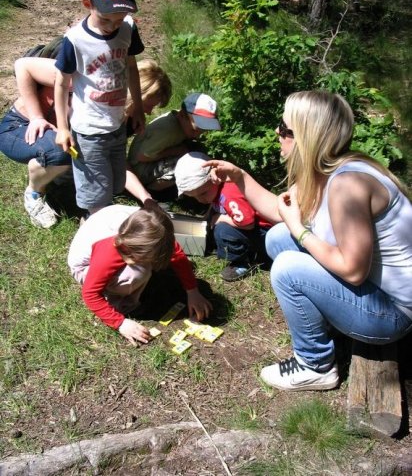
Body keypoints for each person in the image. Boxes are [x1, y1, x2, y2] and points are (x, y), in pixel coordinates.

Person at [205, 90, 412, 391]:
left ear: (307, 137)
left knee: (288, 267)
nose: (277, 132)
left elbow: (353, 271)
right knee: (278, 238)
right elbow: (281, 212)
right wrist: (239, 177)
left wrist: (300, 230)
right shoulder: (327, 169)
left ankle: (315, 365)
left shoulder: (347, 186)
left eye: (285, 129)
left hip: (392, 314)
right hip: (374, 290)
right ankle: (327, 321)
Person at [54, 0, 145, 217]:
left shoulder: (127, 27)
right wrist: (62, 127)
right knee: (97, 194)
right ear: (86, 2)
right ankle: (93, 229)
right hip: (88, 130)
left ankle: (97, 208)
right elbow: (61, 84)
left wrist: (137, 106)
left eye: (117, 19)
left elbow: (131, 67)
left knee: (115, 183)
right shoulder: (75, 40)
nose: (112, 26)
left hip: (117, 124)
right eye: (106, 19)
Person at [68, 203, 212, 345]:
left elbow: (177, 255)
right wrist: (120, 323)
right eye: (130, 255)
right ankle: (123, 304)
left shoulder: (156, 229)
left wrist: (192, 291)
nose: (129, 259)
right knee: (137, 273)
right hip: (86, 266)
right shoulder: (110, 251)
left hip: (106, 239)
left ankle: (143, 268)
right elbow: (90, 294)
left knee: (146, 266)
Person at [175, 151, 272, 281]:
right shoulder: (216, 190)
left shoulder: (230, 193)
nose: (200, 200)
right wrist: (207, 218)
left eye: (202, 193)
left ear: (215, 177)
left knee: (223, 230)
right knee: (215, 223)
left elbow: (248, 224)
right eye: (194, 197)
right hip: (251, 228)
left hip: (264, 234)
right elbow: (214, 206)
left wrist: (221, 218)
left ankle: (243, 261)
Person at [0, 56, 71, 228]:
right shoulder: (72, 71)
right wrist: (36, 117)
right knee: (61, 151)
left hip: (51, 132)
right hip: (18, 127)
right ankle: (34, 193)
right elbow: (22, 64)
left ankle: (55, 173)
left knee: (74, 150)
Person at [127, 92, 220, 197]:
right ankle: (154, 191)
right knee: (185, 166)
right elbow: (142, 156)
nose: (198, 135)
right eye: (195, 130)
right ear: (182, 115)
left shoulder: (180, 123)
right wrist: (176, 151)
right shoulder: (168, 132)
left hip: (147, 159)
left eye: (202, 131)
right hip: (140, 169)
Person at [124, 59, 172, 203]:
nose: (150, 112)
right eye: (148, 105)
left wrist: (145, 197)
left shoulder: (131, 121)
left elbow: (118, 158)